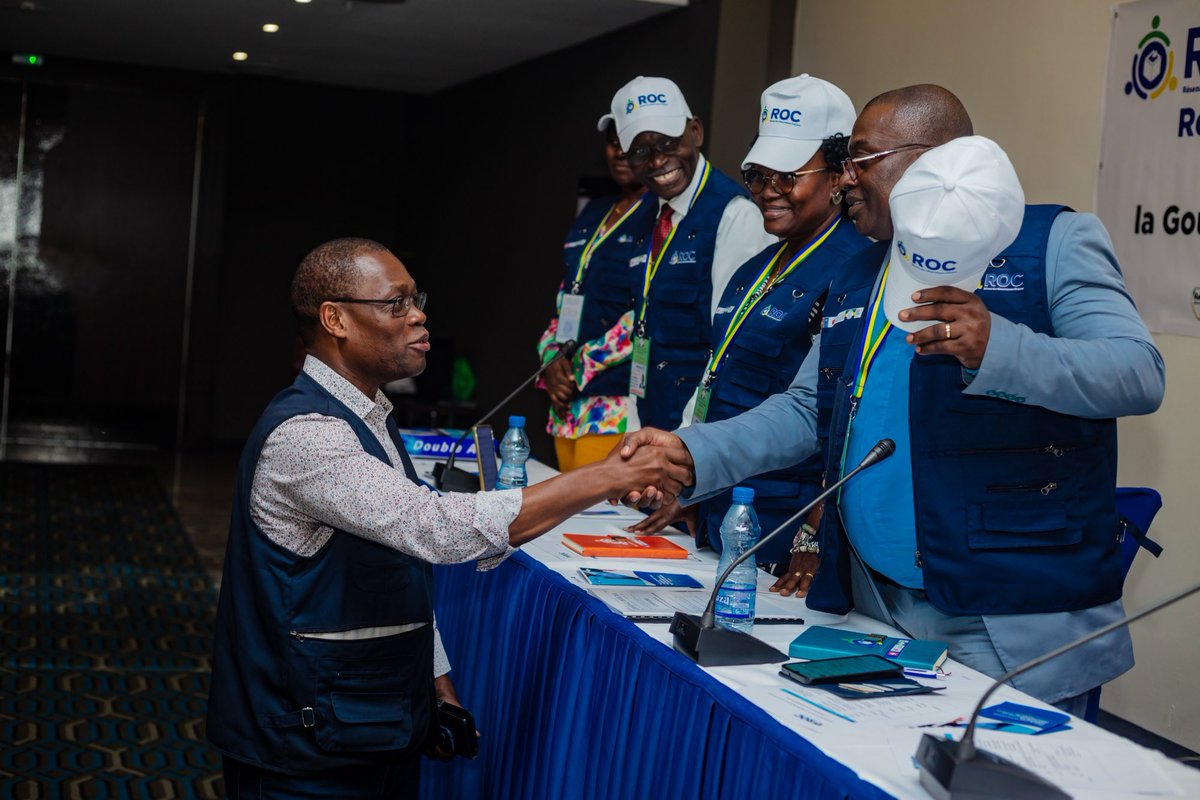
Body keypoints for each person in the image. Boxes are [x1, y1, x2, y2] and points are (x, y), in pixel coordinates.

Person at [619, 85, 1165, 715]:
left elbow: (1137, 372)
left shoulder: (1052, 241)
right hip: (874, 607)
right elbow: (805, 409)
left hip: (1001, 614)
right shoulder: (858, 269)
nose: (844, 178)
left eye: (860, 159)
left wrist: (1000, 348)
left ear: (936, 157)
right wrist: (692, 451)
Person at [207, 238, 690, 796]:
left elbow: (392, 559)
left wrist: (432, 682)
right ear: (335, 318)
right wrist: (607, 476)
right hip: (302, 749)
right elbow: (433, 526)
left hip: (367, 723)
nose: (419, 316)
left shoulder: (371, 415)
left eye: (417, 299)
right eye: (396, 303)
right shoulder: (309, 436)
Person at [626, 75, 868, 584]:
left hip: (786, 530)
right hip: (725, 514)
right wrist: (690, 487)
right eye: (758, 176)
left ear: (841, 174)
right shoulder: (754, 268)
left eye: (788, 176)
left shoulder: (857, 270)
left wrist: (814, 534)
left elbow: (840, 420)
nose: (768, 192)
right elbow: (720, 384)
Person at [605, 75, 775, 432]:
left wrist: (686, 441)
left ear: (695, 132)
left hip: (698, 433)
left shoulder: (734, 214)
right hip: (649, 420)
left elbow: (731, 345)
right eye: (639, 151)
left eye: (668, 142)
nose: (656, 161)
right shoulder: (646, 216)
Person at [536, 118, 655, 471]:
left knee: (598, 521)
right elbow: (566, 295)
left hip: (613, 404)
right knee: (561, 521)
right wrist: (551, 357)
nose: (619, 151)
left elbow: (648, 312)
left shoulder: (659, 215)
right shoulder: (594, 211)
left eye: (631, 142)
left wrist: (578, 364)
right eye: (612, 141)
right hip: (565, 404)